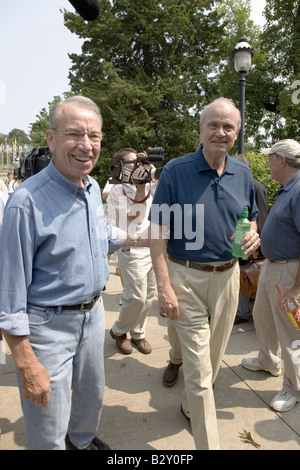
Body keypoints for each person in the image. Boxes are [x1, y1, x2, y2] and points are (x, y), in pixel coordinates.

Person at [0, 96, 145, 450]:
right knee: (48, 426)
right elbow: (9, 295)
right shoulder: (26, 204)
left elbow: (98, 236)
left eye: (93, 136)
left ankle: (80, 442)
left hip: (94, 316)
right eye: (74, 134)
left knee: (90, 400)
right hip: (48, 327)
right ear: (51, 139)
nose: (86, 145)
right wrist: (25, 363)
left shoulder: (92, 187)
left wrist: (138, 237)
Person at [149, 97, 260, 450]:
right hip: (185, 277)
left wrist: (252, 235)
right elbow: (157, 234)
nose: (220, 132)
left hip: (228, 276)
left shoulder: (243, 173)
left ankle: (188, 405)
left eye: (228, 126)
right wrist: (164, 286)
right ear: (200, 129)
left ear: (237, 132)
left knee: (212, 360)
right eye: (213, 124)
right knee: (198, 371)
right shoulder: (175, 171)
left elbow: (249, 216)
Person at [242, 139, 300, 412]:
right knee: (262, 317)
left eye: (270, 158)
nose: (267, 163)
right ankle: (268, 361)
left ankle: (293, 387)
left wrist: (296, 289)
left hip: (289, 271)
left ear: (282, 161)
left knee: (289, 333)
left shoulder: (299, 190)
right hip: (272, 265)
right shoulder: (287, 188)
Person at [108, 148, 156, 355]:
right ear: (121, 167)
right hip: (132, 249)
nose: (136, 166)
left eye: (138, 162)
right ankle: (119, 331)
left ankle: (138, 333)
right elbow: (134, 215)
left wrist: (152, 173)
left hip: (152, 247)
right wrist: (140, 187)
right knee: (136, 296)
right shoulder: (117, 191)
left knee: (149, 296)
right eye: (131, 163)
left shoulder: (148, 186)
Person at [233, 154, 269, 324]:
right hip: (243, 237)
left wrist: (256, 246)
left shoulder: (254, 186)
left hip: (251, 240)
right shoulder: (245, 185)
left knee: (245, 273)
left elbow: (260, 215)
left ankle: (242, 312)